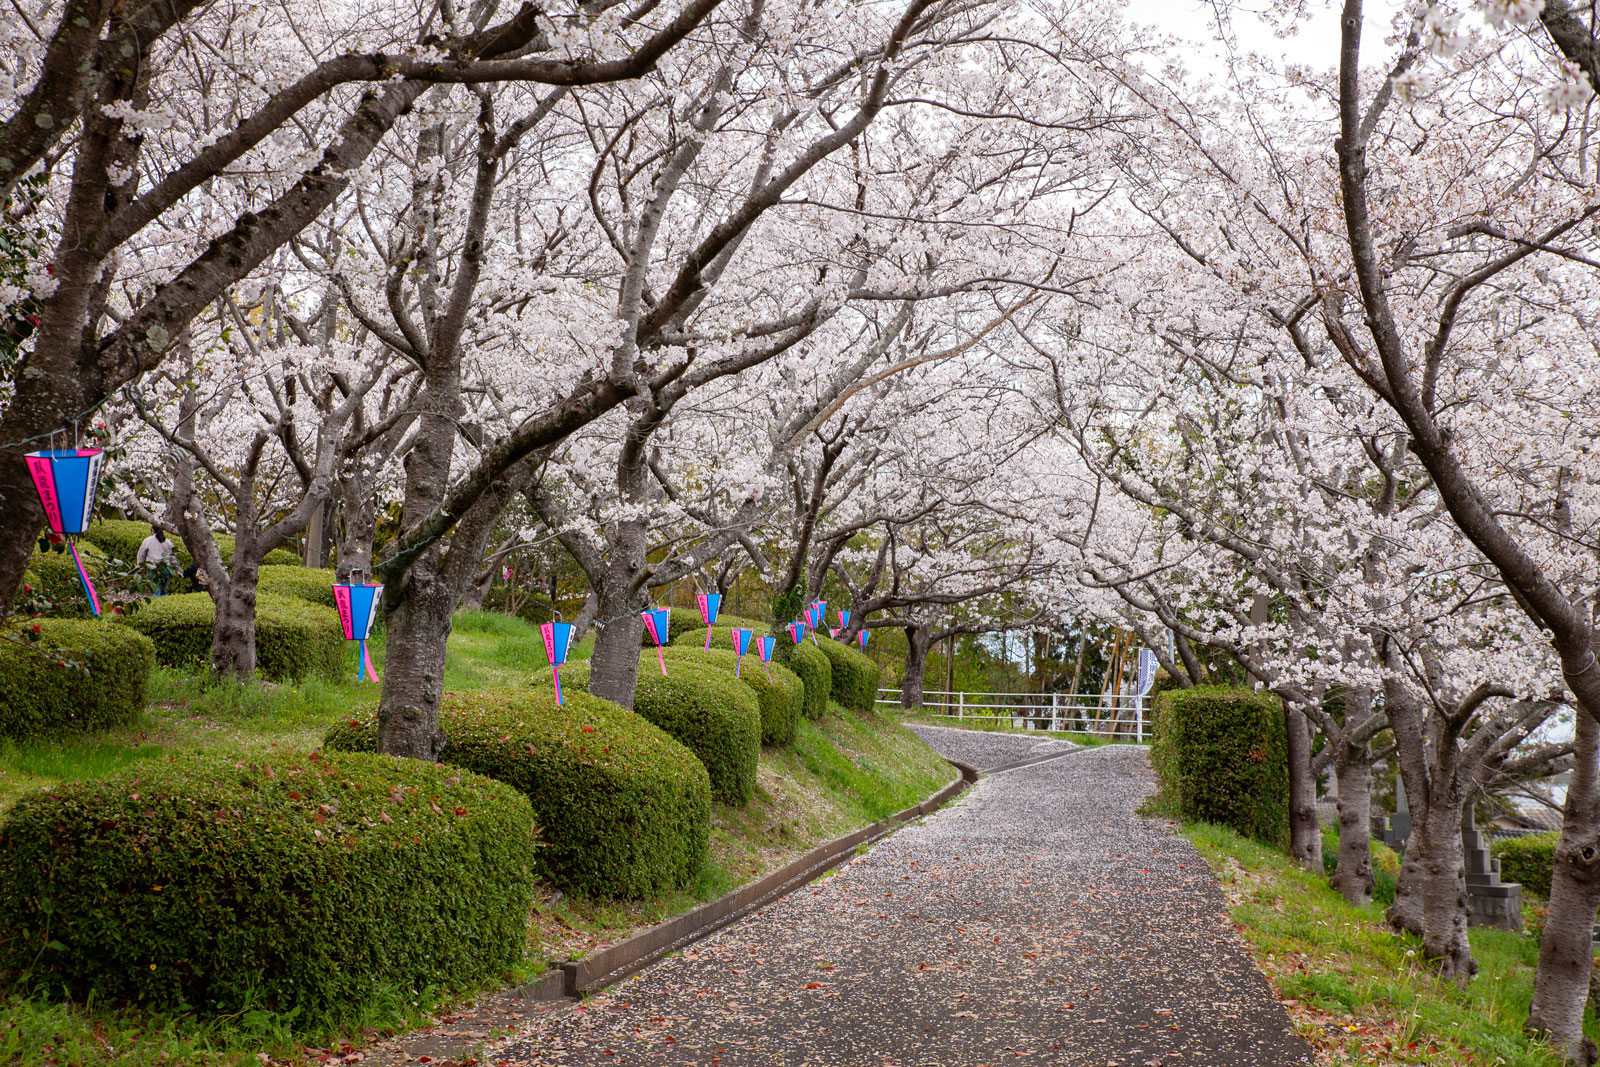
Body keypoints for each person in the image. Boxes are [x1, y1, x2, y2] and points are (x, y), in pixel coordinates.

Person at [137, 526, 176, 594]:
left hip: (153, 568)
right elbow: (173, 558)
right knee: (163, 589)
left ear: (152, 530)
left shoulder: (147, 541)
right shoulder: (168, 542)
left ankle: (156, 603)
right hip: (166, 569)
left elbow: (141, 555)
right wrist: (176, 569)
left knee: (155, 590)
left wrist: (139, 567)